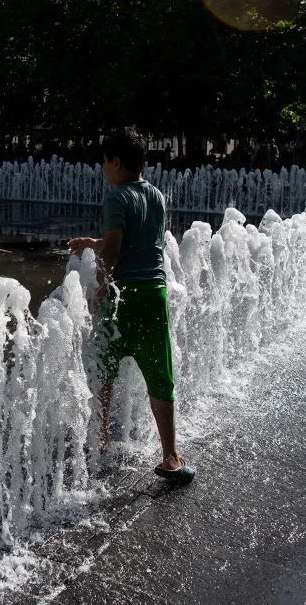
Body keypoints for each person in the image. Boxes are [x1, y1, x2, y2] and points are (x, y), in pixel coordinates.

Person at [68, 130, 194, 485]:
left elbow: (114, 250)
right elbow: (136, 241)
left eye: (105, 163)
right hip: (155, 294)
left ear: (117, 162)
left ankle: (103, 439)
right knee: (160, 376)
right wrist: (93, 242)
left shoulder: (116, 196)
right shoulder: (155, 195)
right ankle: (170, 456)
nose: (103, 169)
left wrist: (101, 287)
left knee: (106, 366)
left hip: (124, 297)